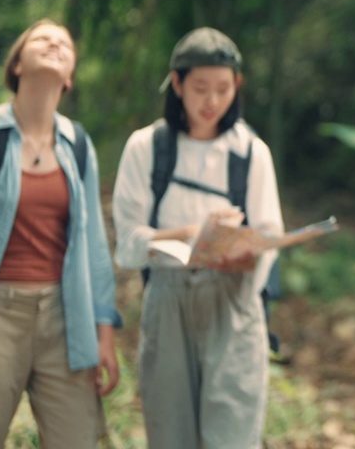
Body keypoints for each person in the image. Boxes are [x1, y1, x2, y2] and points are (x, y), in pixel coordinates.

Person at [0, 19, 122, 448]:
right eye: (42, 38)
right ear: (17, 64)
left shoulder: (78, 145)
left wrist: (103, 333)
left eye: (64, 43)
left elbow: (94, 249)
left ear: (69, 76)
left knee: (79, 439)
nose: (54, 43)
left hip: (64, 317)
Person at [112, 27, 284, 449]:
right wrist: (190, 234)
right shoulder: (146, 148)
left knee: (233, 433)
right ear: (177, 83)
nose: (211, 102)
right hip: (167, 299)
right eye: (200, 88)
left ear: (237, 86)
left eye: (223, 89)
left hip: (233, 301)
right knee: (170, 432)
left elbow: (270, 236)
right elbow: (128, 245)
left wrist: (241, 253)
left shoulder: (250, 152)